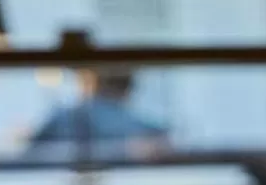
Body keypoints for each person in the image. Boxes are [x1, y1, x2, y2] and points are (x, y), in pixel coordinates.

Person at [28, 70, 170, 163]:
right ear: (129, 90)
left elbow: (30, 155)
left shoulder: (62, 118)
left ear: (91, 84)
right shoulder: (147, 130)